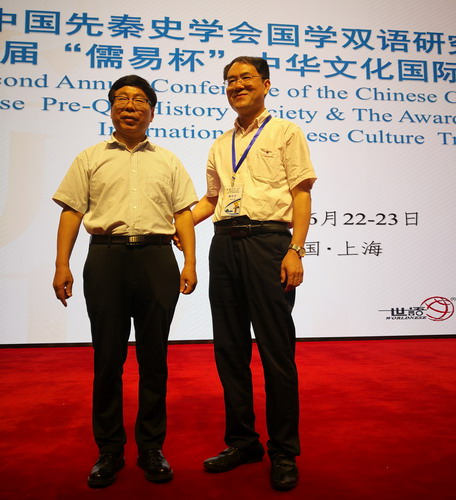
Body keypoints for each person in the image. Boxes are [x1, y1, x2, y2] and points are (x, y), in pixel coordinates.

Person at [52, 75, 198, 489]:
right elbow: (71, 211)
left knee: (154, 359)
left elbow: (183, 214)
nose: (129, 106)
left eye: (138, 100)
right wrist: (61, 264)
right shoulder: (89, 158)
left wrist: (189, 261)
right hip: (106, 257)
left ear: (152, 111)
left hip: (157, 258)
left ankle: (151, 448)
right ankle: (109, 450)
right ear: (111, 108)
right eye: (121, 99)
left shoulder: (168, 160)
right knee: (107, 359)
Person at [191, 56, 316, 491]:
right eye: (230, 80)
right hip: (223, 244)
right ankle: (242, 441)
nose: (237, 85)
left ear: (265, 84)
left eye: (246, 78)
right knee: (229, 349)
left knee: (276, 351)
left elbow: (301, 193)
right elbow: (211, 200)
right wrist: (175, 224)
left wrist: (295, 249)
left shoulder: (286, 132)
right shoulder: (220, 143)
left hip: (269, 243)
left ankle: (284, 450)